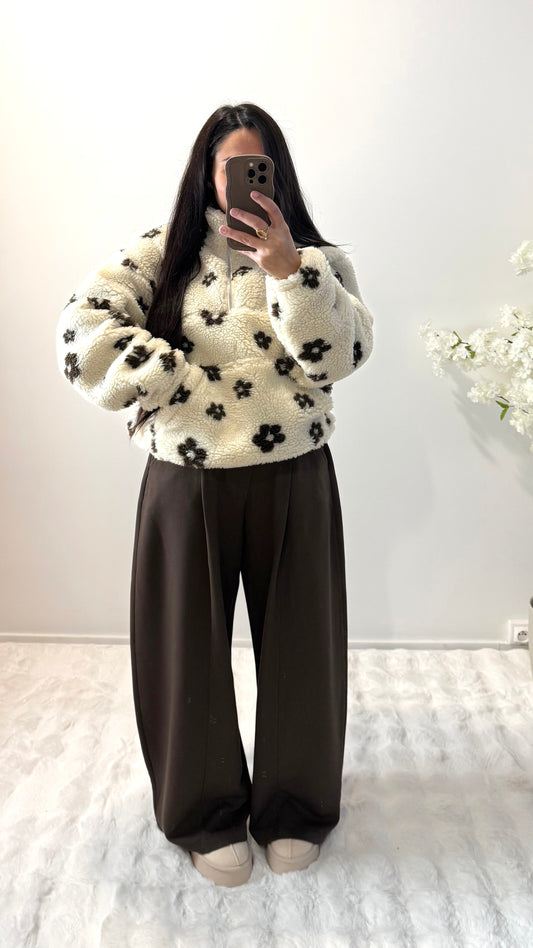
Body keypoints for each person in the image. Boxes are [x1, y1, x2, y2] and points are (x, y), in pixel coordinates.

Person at [56, 102, 374, 887]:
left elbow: (340, 355)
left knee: (303, 650)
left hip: (294, 472)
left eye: (256, 168)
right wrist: (165, 379)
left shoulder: (318, 261)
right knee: (183, 653)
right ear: (205, 173)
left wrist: (287, 271)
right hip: (185, 477)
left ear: (277, 174)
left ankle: (295, 809)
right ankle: (204, 816)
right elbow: (81, 333)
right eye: (229, 168)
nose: (242, 184)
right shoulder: (158, 254)